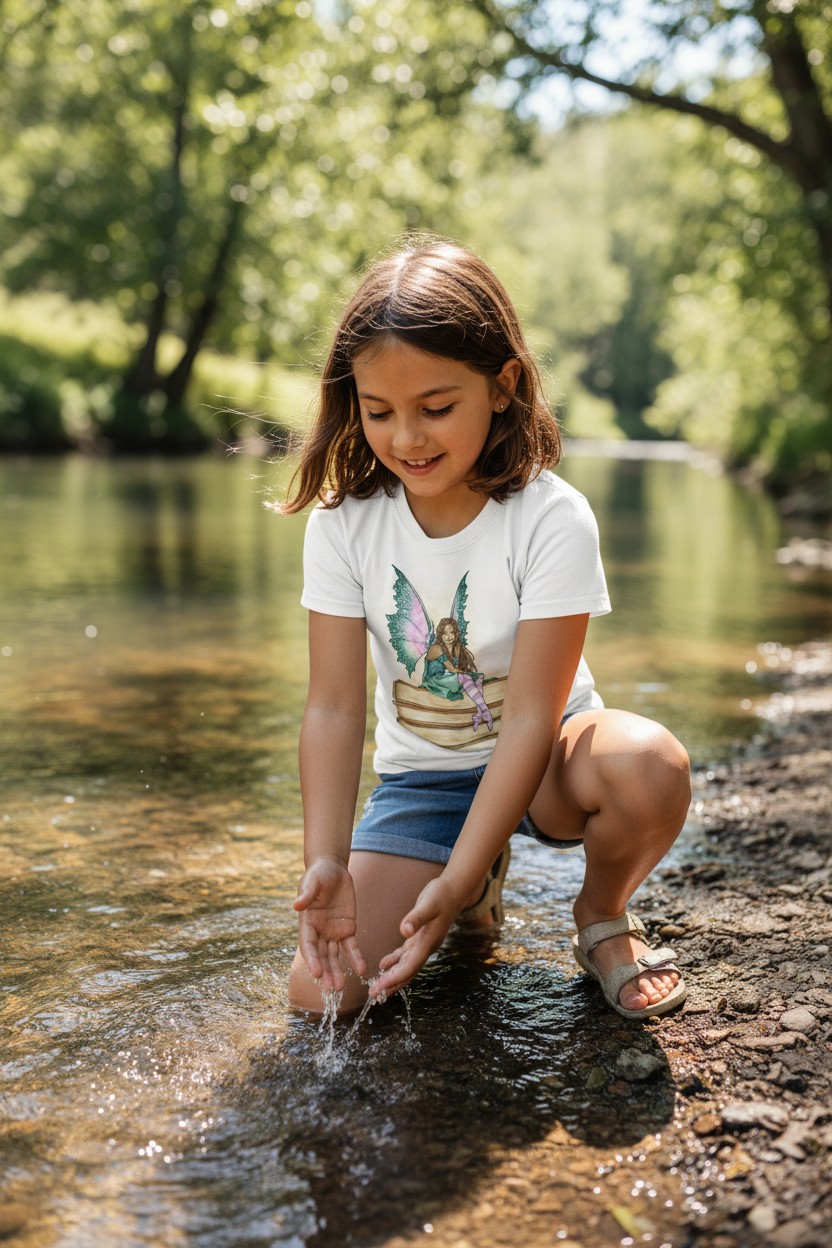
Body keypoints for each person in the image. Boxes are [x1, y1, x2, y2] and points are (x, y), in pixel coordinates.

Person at [281, 238, 691, 1021]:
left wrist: (458, 872)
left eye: (436, 408)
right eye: (379, 412)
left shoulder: (551, 518)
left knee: (648, 766)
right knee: (321, 1000)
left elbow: (534, 718)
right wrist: (327, 861)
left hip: (544, 761)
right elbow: (332, 708)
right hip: (425, 780)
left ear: (503, 386)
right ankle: (472, 886)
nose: (407, 439)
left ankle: (600, 916)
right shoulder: (343, 526)